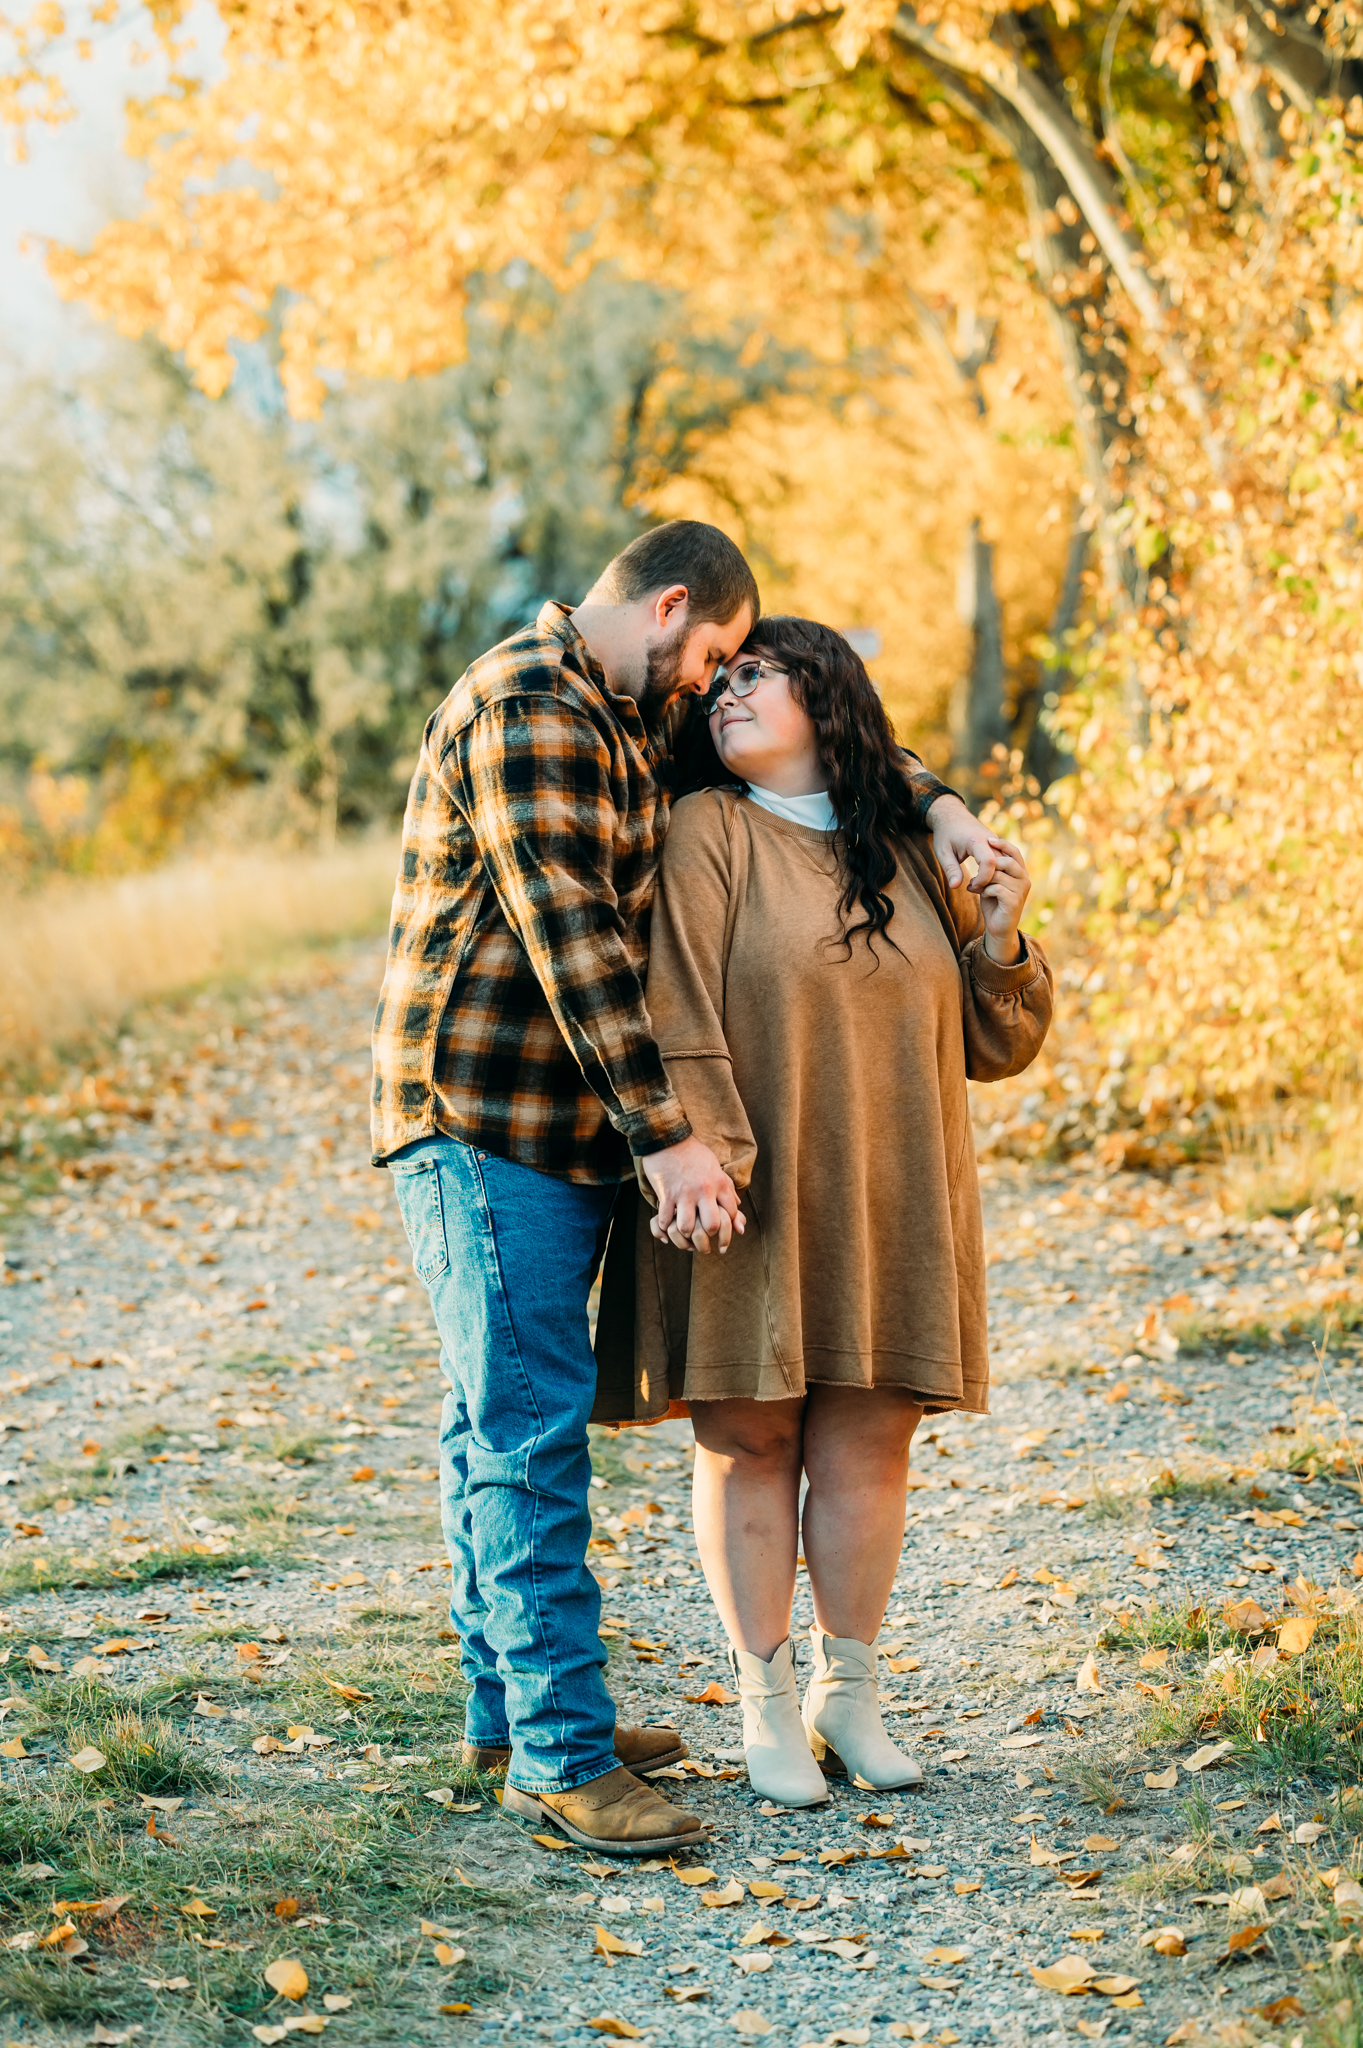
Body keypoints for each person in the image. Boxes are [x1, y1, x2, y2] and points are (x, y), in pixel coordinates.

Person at [371, 525, 1002, 1851]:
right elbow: (577, 941)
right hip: (489, 1120)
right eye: (717, 655)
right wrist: (671, 1138)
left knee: (493, 1421)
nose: (715, 685)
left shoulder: (626, 712)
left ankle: (520, 1709)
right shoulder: (528, 707)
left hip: (572, 1121)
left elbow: (846, 735)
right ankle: (558, 1754)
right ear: (671, 607)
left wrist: (939, 807)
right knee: (523, 1433)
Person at [618, 617, 1054, 1806]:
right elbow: (677, 1005)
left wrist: (1002, 932)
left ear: (831, 700)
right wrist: (704, 1155)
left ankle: (847, 1694)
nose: (729, 692)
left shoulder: (902, 845)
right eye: (725, 676)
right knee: (750, 1435)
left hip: (895, 1187)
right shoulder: (707, 828)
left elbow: (996, 1038)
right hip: (746, 1186)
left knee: (870, 1438)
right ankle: (762, 1705)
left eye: (761, 674)